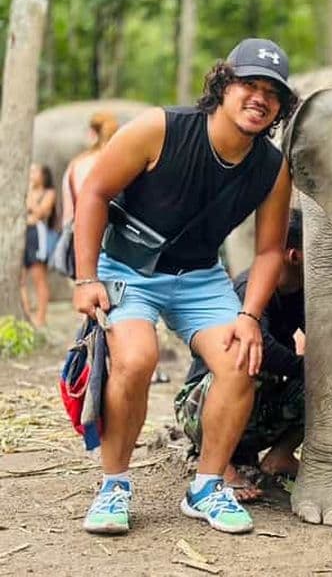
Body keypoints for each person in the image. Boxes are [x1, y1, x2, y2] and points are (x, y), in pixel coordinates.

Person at [72, 37, 298, 536]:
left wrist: (249, 316)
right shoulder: (160, 129)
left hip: (200, 276)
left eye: (272, 92)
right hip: (128, 268)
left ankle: (207, 487)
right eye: (248, 84)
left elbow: (267, 252)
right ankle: (114, 486)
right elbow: (95, 190)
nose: (259, 98)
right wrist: (86, 277)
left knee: (240, 360)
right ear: (223, 85)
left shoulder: (271, 167)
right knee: (135, 359)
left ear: (280, 107)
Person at [175, 209, 305, 502]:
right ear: (294, 256)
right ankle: (223, 468)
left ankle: (279, 457)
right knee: (248, 360)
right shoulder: (252, 288)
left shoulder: (302, 292)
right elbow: (263, 347)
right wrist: (303, 367)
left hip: (255, 405)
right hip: (201, 404)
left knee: (327, 381)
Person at [61, 112, 119, 228]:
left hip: (79, 231)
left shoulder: (76, 165)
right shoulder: (119, 163)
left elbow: (68, 214)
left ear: (92, 133)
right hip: (110, 234)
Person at [21, 164, 57, 327]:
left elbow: (40, 212)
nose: (31, 174)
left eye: (35, 171)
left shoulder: (49, 193)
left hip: (38, 236)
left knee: (39, 278)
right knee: (20, 278)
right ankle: (27, 314)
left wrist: (29, 196)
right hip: (24, 234)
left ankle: (41, 318)